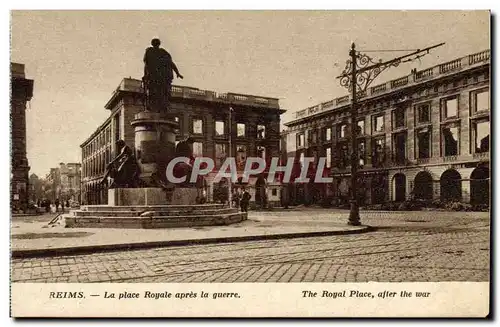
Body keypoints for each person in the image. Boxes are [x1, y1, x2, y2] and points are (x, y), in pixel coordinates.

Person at [143, 38, 183, 112]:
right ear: (159, 44)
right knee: (161, 93)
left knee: (153, 92)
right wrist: (177, 73)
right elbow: (171, 63)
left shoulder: (149, 51)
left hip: (155, 77)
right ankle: (159, 107)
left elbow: (146, 65)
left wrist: (145, 74)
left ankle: (152, 107)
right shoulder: (163, 52)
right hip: (159, 77)